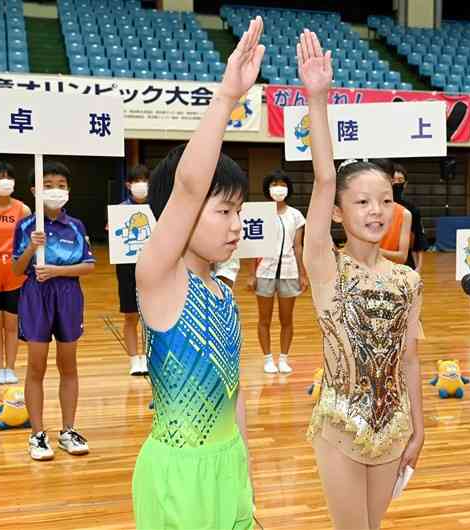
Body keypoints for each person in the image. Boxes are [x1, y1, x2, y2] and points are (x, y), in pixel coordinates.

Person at [131, 17, 263, 529]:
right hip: (179, 476)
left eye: (239, 211)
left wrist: (245, 469)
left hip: (228, 465)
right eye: (223, 212)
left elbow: (236, 394)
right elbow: (189, 187)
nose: (237, 225)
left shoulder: (222, 291)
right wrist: (228, 96)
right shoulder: (160, 277)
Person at [298, 29, 425, 530]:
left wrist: (418, 426)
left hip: (394, 428)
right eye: (362, 201)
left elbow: (411, 355)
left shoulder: (407, 279)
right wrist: (317, 99)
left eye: (385, 201)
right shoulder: (326, 266)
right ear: (336, 211)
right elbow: (325, 176)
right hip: (339, 425)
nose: (376, 211)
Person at [12, 162, 95, 461]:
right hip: (36, 295)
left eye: (61, 184)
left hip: (68, 295)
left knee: (68, 364)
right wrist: (32, 248)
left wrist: (58, 270)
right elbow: (16, 269)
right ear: (35, 190)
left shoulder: (76, 226)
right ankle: (37, 435)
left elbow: (89, 265)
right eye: (49, 184)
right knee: (36, 366)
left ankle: (68, 431)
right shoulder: (25, 227)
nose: (56, 190)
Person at [248, 169, 307, 375]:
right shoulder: (260, 215)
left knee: (287, 319)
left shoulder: (296, 215)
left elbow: (298, 246)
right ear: (268, 189)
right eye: (274, 184)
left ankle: (283, 358)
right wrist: (251, 274)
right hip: (265, 270)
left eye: (282, 184)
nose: (278, 188)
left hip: (289, 270)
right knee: (264, 318)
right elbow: (253, 246)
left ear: (288, 188)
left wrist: (302, 273)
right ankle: (267, 359)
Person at [0, 161, 29, 385]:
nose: (4, 181)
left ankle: (11, 368)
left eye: (8, 176)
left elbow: (27, 243)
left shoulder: (22, 209)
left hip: (15, 272)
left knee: (12, 325)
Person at [113, 164, 150, 376]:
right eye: (136, 181)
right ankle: (134, 359)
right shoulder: (120, 210)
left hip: (152, 267)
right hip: (127, 269)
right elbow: (117, 241)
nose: (140, 185)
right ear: (128, 185)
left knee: (151, 315)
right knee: (131, 315)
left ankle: (148, 356)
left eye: (144, 180)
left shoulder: (157, 209)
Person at [391, 162, 428, 272]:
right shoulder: (377, 206)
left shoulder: (412, 209)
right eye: (393, 180)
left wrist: (419, 267)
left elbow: (418, 239)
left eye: (400, 180)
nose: (396, 183)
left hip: (405, 262)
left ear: (405, 184)